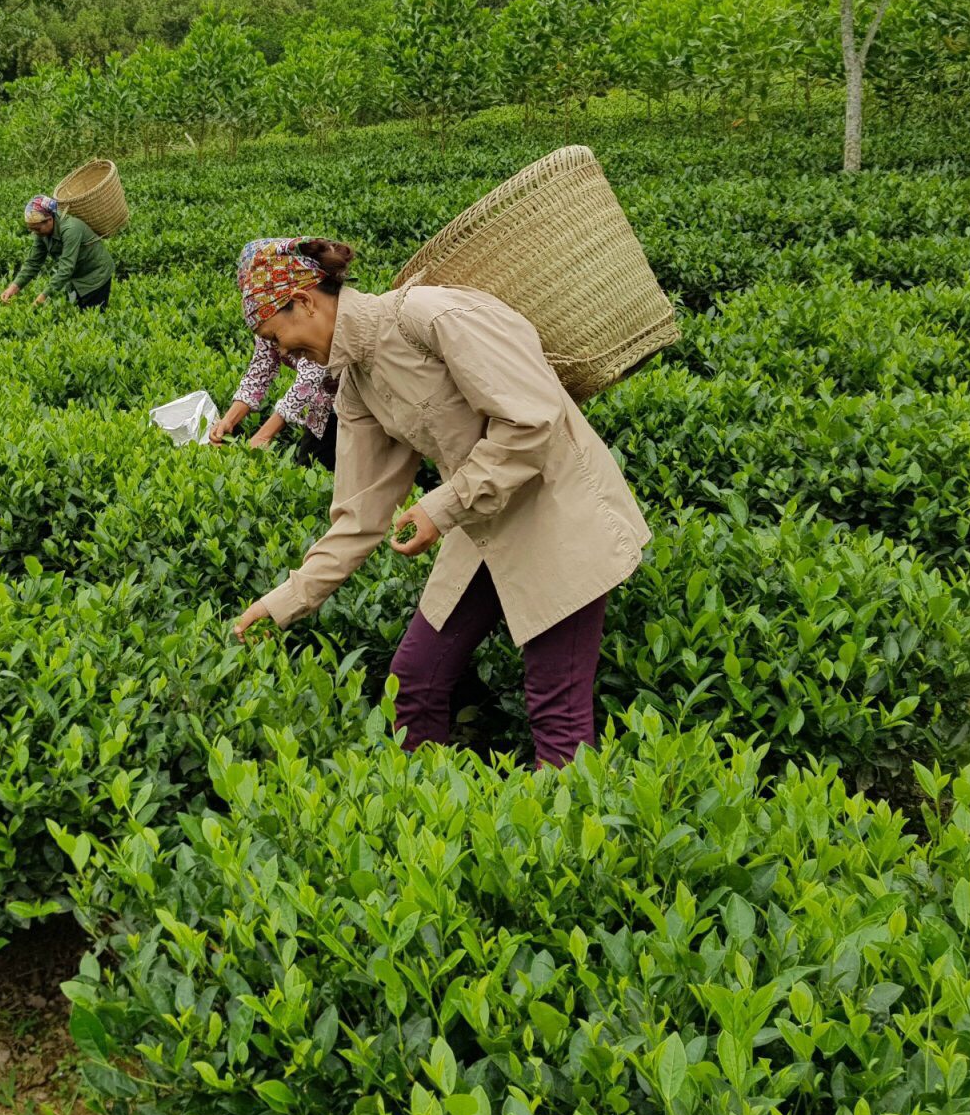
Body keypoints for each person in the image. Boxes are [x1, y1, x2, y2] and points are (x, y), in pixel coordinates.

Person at [228, 237, 649, 767]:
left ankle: (570, 822)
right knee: (414, 684)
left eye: (276, 337)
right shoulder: (355, 384)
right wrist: (282, 603)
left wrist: (441, 507)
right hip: (484, 526)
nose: (284, 357)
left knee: (555, 713)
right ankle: (429, 811)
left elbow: (532, 421)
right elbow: (359, 515)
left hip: (559, 516)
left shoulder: (431, 316)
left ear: (305, 301)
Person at [208, 239, 341, 468]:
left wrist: (264, 434)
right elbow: (259, 373)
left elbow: (310, 375)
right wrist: (228, 420)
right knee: (311, 469)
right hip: (322, 409)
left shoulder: (308, 320)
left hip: (352, 403)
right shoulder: (269, 321)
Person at [0, 194, 114, 310]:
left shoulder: (70, 230)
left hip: (96, 274)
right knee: (74, 313)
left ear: (49, 220)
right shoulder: (42, 233)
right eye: (32, 229)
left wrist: (43, 297)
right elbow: (33, 263)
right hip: (76, 277)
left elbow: (66, 268)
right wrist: (13, 288)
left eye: (37, 229)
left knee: (92, 315)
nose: (34, 233)